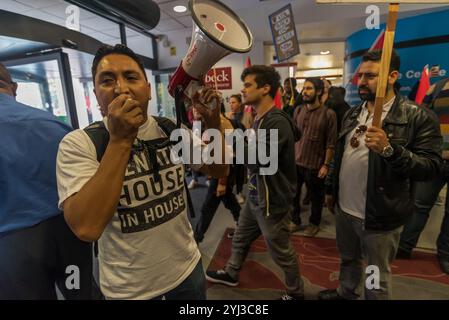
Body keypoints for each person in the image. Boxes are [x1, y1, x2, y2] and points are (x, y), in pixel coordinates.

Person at [56, 44, 227, 300]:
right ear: (95, 94)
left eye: (131, 77)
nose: (121, 88)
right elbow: (86, 227)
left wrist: (213, 122)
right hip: (130, 289)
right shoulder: (78, 144)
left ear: (148, 90)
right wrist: (120, 141)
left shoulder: (168, 129)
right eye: (107, 80)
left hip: (188, 269)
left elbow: (217, 168)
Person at [318, 50, 442, 300]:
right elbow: (340, 157)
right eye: (360, 75)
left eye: (371, 76)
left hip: (380, 215)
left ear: (393, 76)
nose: (362, 81)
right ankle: (346, 292)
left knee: (375, 275)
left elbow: (431, 167)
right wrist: (331, 189)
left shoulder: (416, 116)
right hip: (345, 209)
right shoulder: (353, 113)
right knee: (348, 260)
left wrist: (389, 150)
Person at [0, 63, 98, 299]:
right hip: (68, 235)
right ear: (14, 87)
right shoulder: (53, 124)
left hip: (13, 246)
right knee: (81, 292)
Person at [206, 65, 304, 300]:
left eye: (248, 85)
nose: (243, 89)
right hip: (256, 193)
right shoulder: (261, 118)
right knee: (240, 235)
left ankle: (296, 292)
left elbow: (259, 159)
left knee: (280, 250)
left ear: (266, 88)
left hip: (273, 198)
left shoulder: (276, 121)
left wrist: (230, 140)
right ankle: (231, 272)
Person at [398, 77, 449, 274]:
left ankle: (445, 252)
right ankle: (404, 246)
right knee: (419, 206)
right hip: (435, 158)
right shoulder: (437, 88)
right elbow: (421, 118)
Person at [290, 77, 337, 237]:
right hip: (296, 162)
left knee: (316, 198)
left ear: (318, 91)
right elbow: (292, 137)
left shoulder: (329, 114)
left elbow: (331, 143)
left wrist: (326, 165)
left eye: (309, 88)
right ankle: (295, 220)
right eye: (304, 88)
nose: (305, 92)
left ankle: (313, 223)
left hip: (316, 165)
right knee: (293, 194)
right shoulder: (298, 111)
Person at [194, 114, 241, 242]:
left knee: (208, 206)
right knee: (229, 201)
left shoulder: (220, 123)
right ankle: (244, 227)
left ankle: (197, 237)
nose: (194, 109)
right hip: (218, 171)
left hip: (224, 172)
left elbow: (228, 153)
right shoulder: (204, 122)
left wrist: (222, 181)